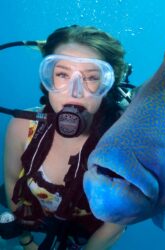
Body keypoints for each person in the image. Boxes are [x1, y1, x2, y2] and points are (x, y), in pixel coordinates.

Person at [3, 25, 130, 250]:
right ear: (47, 80)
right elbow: (12, 183)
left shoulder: (123, 140)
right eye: (62, 74)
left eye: (91, 77)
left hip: (84, 231)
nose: (75, 91)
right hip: (36, 219)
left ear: (107, 86)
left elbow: (116, 223)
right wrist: (26, 241)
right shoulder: (21, 127)